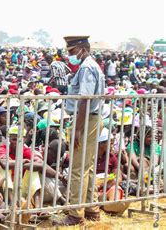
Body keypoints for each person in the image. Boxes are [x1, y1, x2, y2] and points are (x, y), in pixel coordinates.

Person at [53, 36, 105, 226]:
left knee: (77, 169)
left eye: (72, 51)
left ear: (83, 48)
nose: (70, 56)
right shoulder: (91, 66)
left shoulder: (86, 68)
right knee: (87, 168)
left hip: (86, 120)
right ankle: (92, 210)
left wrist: (77, 129)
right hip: (91, 119)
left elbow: (85, 99)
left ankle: (75, 214)